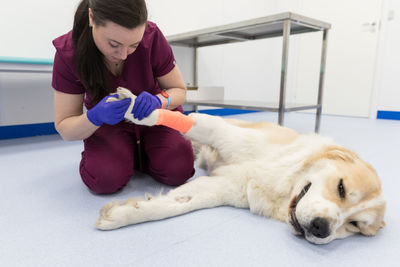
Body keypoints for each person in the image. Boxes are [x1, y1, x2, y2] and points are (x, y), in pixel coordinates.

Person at [52, 0, 195, 194]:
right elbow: (65, 128)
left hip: (154, 119)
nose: (124, 55)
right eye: (114, 44)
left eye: (134, 45)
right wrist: (95, 117)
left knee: (179, 169)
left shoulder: (151, 36)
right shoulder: (69, 53)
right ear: (92, 18)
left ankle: (139, 153)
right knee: (104, 179)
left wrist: (160, 100)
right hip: (109, 126)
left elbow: (179, 90)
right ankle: (128, 155)